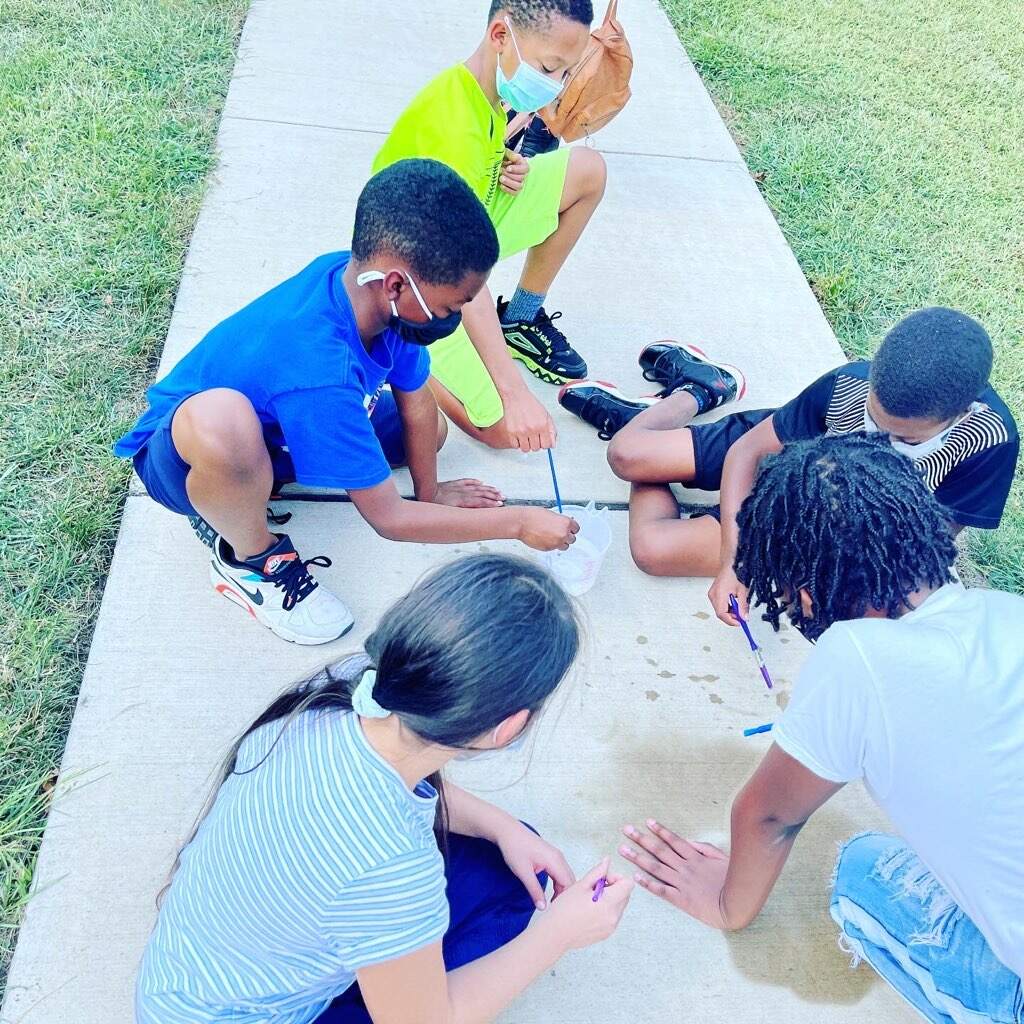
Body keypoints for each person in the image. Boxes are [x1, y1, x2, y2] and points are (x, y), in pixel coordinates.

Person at [619, 434, 1024, 1024]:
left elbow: (769, 816)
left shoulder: (857, 655)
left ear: (804, 587)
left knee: (861, 871)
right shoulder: (1008, 611)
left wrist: (728, 903)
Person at [136, 554, 633, 1024]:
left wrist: (502, 827)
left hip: (191, 985)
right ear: (506, 727)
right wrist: (560, 934)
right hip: (259, 1012)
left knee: (505, 855)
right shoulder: (390, 864)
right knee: (513, 905)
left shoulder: (340, 695)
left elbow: (397, 790)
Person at [114, 160, 579, 645]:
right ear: (398, 285)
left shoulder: (371, 292)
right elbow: (388, 519)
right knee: (223, 423)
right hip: (181, 455)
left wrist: (430, 491)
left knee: (430, 432)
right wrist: (519, 524)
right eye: (451, 307)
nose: (457, 317)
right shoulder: (319, 369)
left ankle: (258, 478)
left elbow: (417, 403)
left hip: (283, 427)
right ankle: (251, 560)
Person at [559, 307, 1019, 621]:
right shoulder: (848, 382)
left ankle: (664, 445)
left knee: (652, 551)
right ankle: (697, 389)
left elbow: (921, 546)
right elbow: (747, 452)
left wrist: (812, 572)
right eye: (873, 419)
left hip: (812, 529)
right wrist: (734, 564)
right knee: (626, 455)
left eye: (902, 438)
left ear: (961, 414)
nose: (878, 440)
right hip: (785, 456)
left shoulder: (989, 439)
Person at [372, 0, 607, 452]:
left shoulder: (480, 89)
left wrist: (499, 162)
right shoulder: (450, 130)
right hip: (418, 278)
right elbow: (466, 280)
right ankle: (403, 350)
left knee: (587, 171)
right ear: (500, 36)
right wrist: (513, 392)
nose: (555, 89)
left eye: (564, 74)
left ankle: (519, 319)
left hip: (461, 233)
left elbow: (468, 170)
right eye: (549, 68)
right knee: (506, 430)